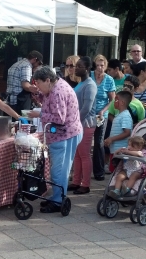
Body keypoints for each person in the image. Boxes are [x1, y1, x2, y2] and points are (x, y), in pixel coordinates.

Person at [27, 66, 83, 213]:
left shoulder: (58, 92)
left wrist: (38, 115)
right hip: (65, 133)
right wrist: (39, 95)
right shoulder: (54, 87)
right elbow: (49, 103)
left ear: (47, 80)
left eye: (38, 83)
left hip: (65, 135)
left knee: (59, 171)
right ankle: (57, 197)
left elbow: (59, 118)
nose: (36, 86)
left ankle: (58, 201)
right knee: (59, 170)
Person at [67, 56, 97, 195]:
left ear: (87, 68)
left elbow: (86, 107)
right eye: (75, 66)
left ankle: (85, 184)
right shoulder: (81, 83)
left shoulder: (90, 85)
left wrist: (75, 120)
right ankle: (76, 181)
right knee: (78, 155)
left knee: (84, 155)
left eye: (79, 66)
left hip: (85, 123)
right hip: (78, 123)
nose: (76, 68)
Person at [90, 54, 116, 180]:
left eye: (102, 65)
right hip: (88, 113)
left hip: (101, 114)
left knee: (99, 142)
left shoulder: (109, 79)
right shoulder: (89, 76)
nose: (100, 68)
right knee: (84, 142)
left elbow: (112, 100)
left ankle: (98, 171)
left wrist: (103, 110)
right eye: (98, 65)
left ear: (105, 67)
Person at [104, 90, 133, 181]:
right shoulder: (119, 115)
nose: (114, 102)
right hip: (115, 150)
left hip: (121, 151)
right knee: (114, 170)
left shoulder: (125, 116)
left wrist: (112, 139)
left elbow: (127, 132)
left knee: (118, 171)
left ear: (122, 102)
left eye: (116, 99)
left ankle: (117, 188)